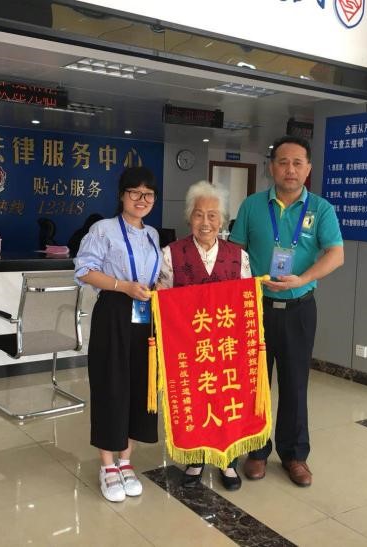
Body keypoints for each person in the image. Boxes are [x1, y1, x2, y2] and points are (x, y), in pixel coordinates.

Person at [229, 135, 344, 487]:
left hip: (299, 309)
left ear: (308, 169)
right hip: (256, 308)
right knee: (256, 384)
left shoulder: (321, 209)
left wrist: (303, 279)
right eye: (283, 162)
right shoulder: (252, 206)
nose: (290, 169)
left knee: (295, 384)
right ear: (271, 167)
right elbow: (235, 254)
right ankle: (257, 451)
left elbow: (336, 254)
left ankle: (295, 455)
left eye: (297, 163)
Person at [74, 166, 162, 503]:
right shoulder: (104, 229)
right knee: (111, 385)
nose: (142, 199)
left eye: (148, 194)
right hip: (113, 311)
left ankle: (126, 461)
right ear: (122, 195)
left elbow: (155, 274)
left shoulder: (153, 234)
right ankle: (108, 466)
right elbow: (84, 270)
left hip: (145, 315)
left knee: (140, 385)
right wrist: (123, 286)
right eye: (134, 192)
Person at [157, 180, 252, 491]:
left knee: (226, 400)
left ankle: (227, 460)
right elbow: (162, 299)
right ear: (189, 217)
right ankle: (195, 458)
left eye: (213, 215)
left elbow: (246, 302)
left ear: (222, 220)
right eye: (199, 214)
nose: (206, 222)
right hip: (188, 346)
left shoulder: (238, 256)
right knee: (195, 402)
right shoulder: (171, 253)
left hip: (226, 347)